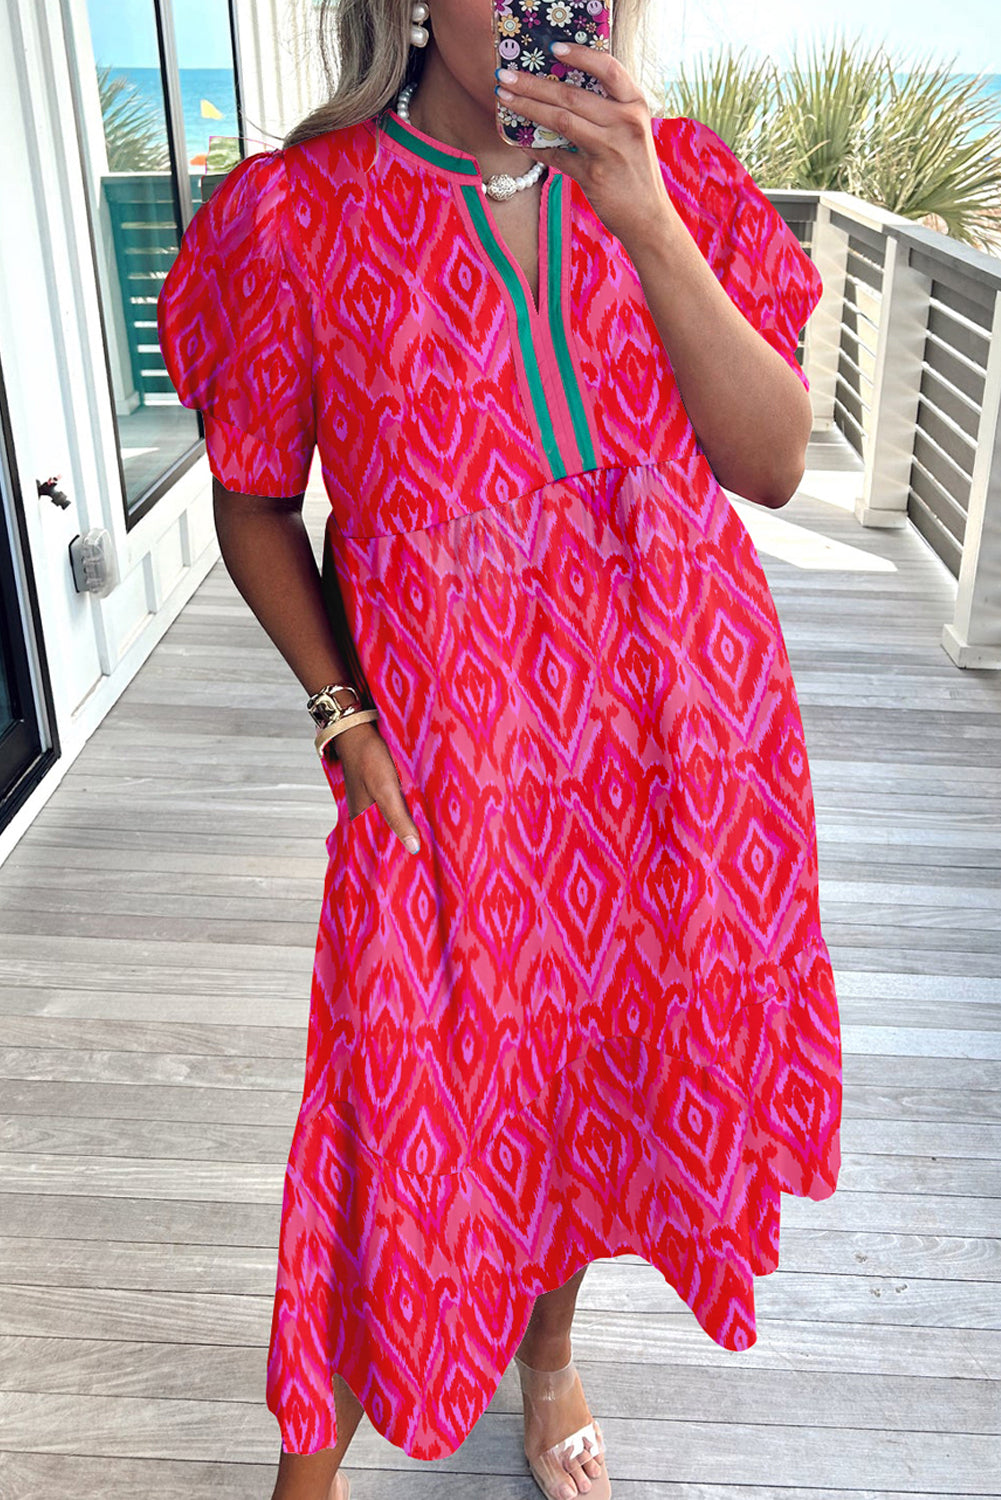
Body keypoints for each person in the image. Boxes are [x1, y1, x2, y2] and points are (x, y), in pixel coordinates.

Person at [156, 2, 844, 1498]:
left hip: (679, 753)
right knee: (393, 1107)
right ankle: (307, 1475)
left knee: (587, 1078)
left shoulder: (683, 180)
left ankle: (548, 1358)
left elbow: (774, 460)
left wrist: (641, 212)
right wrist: (339, 712)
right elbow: (254, 498)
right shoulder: (298, 214)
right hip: (447, 770)